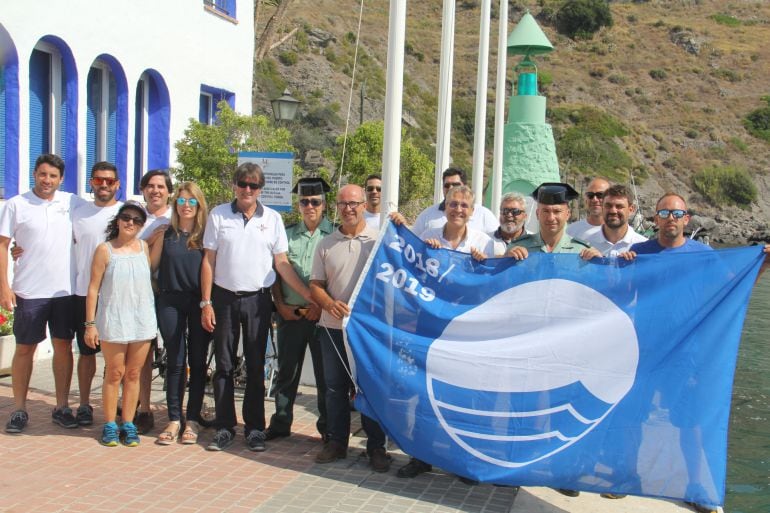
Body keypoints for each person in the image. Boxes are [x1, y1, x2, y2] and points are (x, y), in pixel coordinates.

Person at [201, 162, 313, 452]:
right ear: (234, 185)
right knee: (224, 365)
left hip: (258, 300)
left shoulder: (273, 219)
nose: (247, 189)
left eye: (253, 185)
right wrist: (206, 302)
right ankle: (225, 426)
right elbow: (208, 261)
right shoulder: (218, 215)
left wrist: (309, 295)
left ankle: (253, 429)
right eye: (242, 183)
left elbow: (283, 264)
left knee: (255, 365)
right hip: (224, 298)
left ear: (261, 188)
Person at [391, 185, 495, 481]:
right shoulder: (429, 237)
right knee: (424, 394)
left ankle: (462, 460)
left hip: (466, 331)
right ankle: (420, 457)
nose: (458, 209)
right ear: (445, 206)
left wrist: (482, 266)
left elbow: (493, 284)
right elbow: (412, 275)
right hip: (432, 328)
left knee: (463, 396)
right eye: (453, 204)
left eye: (464, 205)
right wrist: (422, 251)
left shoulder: (484, 243)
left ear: (472, 211)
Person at [1, 154, 85, 433]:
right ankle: (19, 409)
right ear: (34, 174)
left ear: (61, 179)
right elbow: (3, 246)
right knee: (25, 349)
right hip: (29, 291)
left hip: (65, 291)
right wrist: (4, 286)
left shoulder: (72, 203)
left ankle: (61, 406)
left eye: (52, 176)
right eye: (42, 174)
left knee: (63, 346)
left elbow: (104, 213)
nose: (47, 180)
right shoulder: (15, 204)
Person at [310, 184, 391, 472]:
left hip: (366, 333)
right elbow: (316, 286)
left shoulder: (378, 242)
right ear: (337, 207)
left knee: (368, 389)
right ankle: (336, 443)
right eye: (343, 204)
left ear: (363, 205)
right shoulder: (325, 244)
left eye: (354, 203)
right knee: (334, 389)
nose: (349, 209)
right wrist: (329, 304)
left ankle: (376, 447)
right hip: (332, 328)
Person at [265, 178, 334, 442]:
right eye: (304, 202)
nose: (309, 206)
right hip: (290, 315)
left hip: (323, 319)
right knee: (286, 373)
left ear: (324, 205)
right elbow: (276, 272)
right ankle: (281, 422)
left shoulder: (334, 235)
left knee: (325, 376)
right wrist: (280, 305)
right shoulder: (286, 233)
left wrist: (320, 305)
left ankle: (328, 428)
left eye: (315, 202)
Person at [84, 201, 157, 446]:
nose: (131, 223)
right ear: (118, 220)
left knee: (134, 373)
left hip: (141, 320)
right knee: (114, 373)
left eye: (137, 220)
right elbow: (93, 288)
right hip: (113, 319)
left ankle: (128, 423)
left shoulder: (144, 247)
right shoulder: (105, 250)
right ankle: (109, 424)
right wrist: (90, 324)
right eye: (126, 217)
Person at [149, 182, 210, 445]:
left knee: (197, 363)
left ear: (199, 205)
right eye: (182, 201)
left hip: (199, 303)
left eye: (192, 201)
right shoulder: (165, 233)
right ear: (176, 205)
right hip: (170, 303)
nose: (186, 206)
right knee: (175, 361)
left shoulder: (208, 236)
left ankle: (193, 420)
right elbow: (148, 266)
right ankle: (174, 418)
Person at [135, 169, 173, 434]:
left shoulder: (179, 215)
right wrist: (152, 238)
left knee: (176, 353)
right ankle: (144, 408)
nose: (155, 190)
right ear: (143, 189)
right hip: (141, 293)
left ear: (169, 191)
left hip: (173, 294)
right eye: (150, 186)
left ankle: (176, 413)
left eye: (161, 186)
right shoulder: (134, 217)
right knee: (143, 355)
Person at [507, 183, 601, 261]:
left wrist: (598, 262)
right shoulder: (518, 248)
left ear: (568, 214)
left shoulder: (581, 252)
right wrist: (505, 260)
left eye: (557, 211)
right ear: (537, 214)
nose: (551, 218)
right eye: (546, 211)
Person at [412, 167, 497, 237]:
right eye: (447, 185)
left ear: (465, 186)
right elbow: (412, 243)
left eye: (455, 184)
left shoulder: (484, 215)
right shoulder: (427, 215)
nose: (450, 188)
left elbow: (497, 248)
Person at [581, 184, 647, 258]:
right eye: (608, 206)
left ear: (631, 209)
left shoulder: (645, 246)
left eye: (619, 206)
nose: (613, 211)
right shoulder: (585, 243)